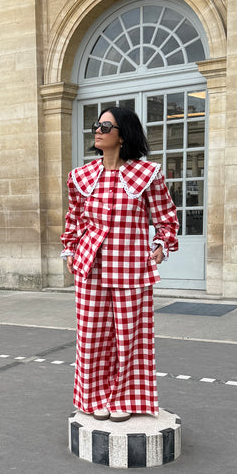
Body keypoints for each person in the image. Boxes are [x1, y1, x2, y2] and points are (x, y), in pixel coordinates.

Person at [60, 105, 179, 421]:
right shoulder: (81, 176)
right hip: (91, 265)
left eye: (106, 126)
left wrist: (161, 245)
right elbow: (74, 218)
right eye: (97, 125)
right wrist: (70, 250)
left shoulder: (147, 175)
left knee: (130, 335)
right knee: (92, 336)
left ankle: (124, 397)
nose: (97, 130)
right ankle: (96, 397)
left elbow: (167, 218)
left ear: (123, 135)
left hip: (131, 266)